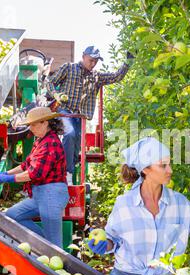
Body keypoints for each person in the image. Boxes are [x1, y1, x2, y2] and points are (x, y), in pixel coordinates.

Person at [87, 137, 190, 275]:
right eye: (163, 165)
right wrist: (103, 245)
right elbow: (113, 240)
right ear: (146, 170)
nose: (170, 170)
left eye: (169, 164)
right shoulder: (125, 204)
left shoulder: (180, 205)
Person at [46, 46, 135, 184]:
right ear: (83, 56)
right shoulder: (69, 68)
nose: (93, 64)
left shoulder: (96, 76)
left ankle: (71, 168)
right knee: (69, 134)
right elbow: (50, 82)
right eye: (91, 60)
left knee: (76, 149)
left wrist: (128, 62)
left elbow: (117, 76)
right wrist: (56, 94)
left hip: (80, 117)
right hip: (65, 111)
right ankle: (67, 174)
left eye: (95, 61)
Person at [0, 107, 69, 248]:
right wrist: (6, 173)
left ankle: (53, 256)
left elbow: (35, 174)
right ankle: (45, 245)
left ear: (45, 123)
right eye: (30, 124)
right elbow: (26, 164)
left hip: (51, 194)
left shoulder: (51, 143)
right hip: (40, 194)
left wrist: (9, 179)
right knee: (12, 216)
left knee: (56, 246)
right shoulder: (40, 140)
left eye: (34, 124)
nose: (31, 128)